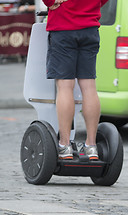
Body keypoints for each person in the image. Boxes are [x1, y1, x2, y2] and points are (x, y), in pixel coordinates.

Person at [42, 0, 108, 160]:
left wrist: (52, 2)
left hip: (63, 26)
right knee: (89, 86)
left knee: (65, 86)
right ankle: (91, 145)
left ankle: (65, 145)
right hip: (90, 28)